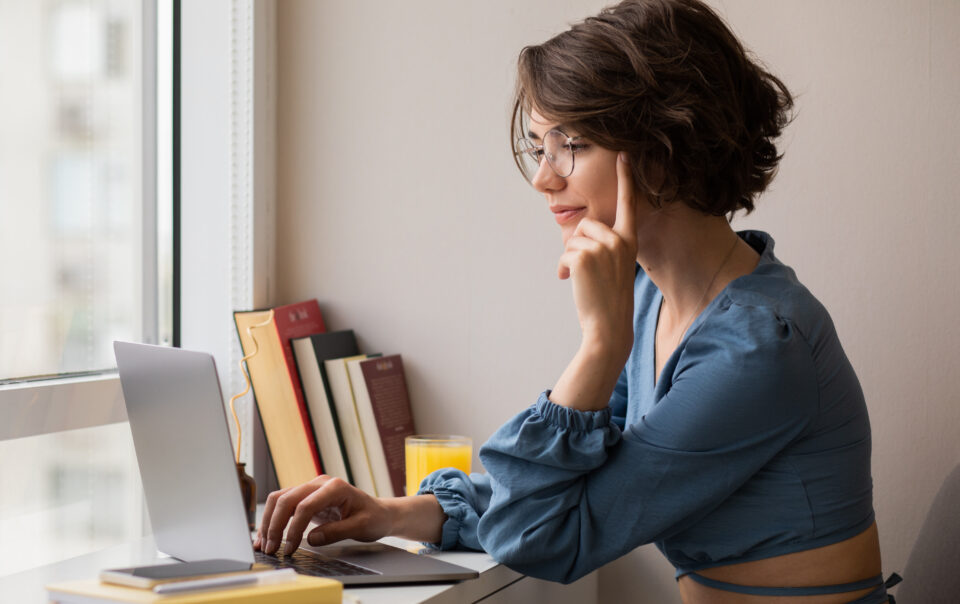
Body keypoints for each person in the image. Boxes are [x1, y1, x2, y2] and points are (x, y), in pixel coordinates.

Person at [255, 1, 899, 601]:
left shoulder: (759, 348)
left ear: (664, 148)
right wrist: (395, 512)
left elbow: (545, 533)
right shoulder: (652, 299)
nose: (543, 177)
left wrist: (600, 342)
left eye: (572, 144)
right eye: (540, 147)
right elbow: (565, 485)